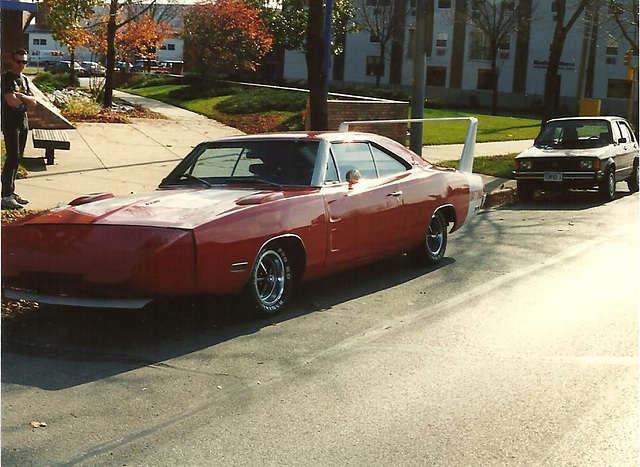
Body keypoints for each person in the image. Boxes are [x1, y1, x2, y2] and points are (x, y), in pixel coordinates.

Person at [2, 48, 37, 210]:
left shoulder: (24, 79)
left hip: (23, 123)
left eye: (24, 62)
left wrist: (21, 97)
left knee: (18, 158)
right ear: (12, 61)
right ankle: (6, 195)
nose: (21, 65)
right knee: (12, 157)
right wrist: (24, 100)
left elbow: (34, 102)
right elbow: (11, 101)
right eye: (18, 62)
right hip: (10, 123)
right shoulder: (6, 79)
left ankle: (12, 191)